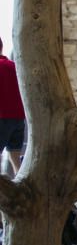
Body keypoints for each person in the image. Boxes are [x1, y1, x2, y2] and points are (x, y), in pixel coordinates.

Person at [0, 36, 26, 175]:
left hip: (1, 116)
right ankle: (21, 187)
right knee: (15, 156)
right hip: (18, 119)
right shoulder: (15, 66)